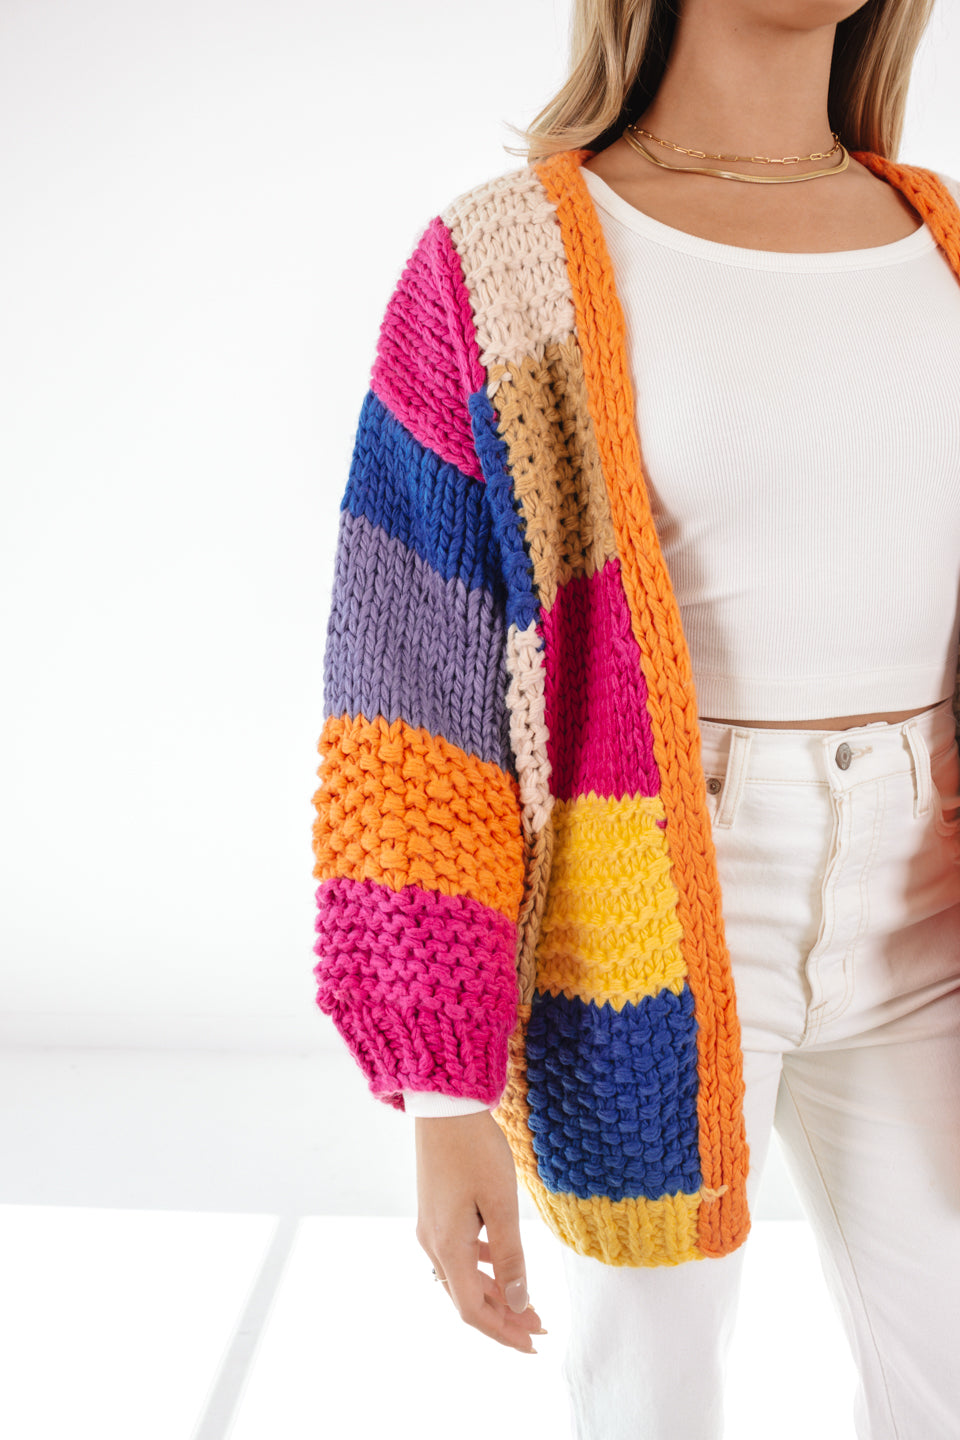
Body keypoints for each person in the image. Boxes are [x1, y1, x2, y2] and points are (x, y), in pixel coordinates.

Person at [311, 2, 960, 1435]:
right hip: (651, 907)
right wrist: (442, 1098)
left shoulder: (941, 240)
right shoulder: (502, 264)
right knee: (651, 1398)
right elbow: (411, 691)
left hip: (933, 900)